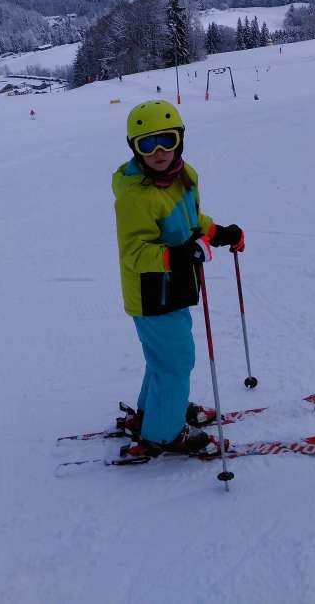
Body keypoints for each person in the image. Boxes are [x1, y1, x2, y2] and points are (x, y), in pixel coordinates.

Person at [112, 100, 244, 457]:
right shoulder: (135, 196)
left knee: (163, 358)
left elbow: (192, 220)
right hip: (152, 291)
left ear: (179, 141)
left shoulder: (186, 176)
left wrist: (219, 232)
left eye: (166, 141)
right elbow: (135, 253)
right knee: (177, 361)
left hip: (177, 284)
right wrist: (180, 254)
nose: (158, 152)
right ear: (134, 147)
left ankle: (151, 413)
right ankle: (164, 432)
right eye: (147, 144)